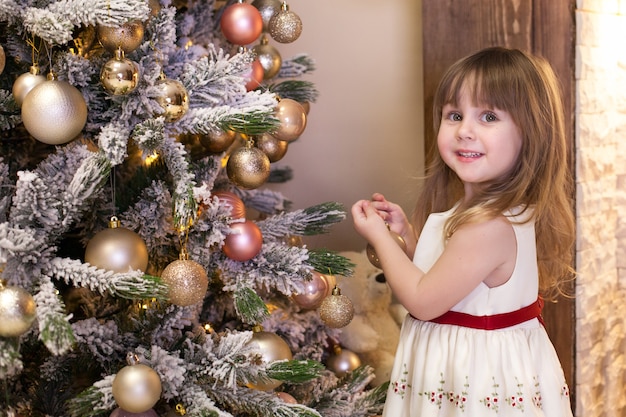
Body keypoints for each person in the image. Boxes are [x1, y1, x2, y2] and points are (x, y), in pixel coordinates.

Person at [351, 47, 575, 416]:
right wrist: (408, 238)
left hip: (473, 382)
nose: (464, 131)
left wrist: (377, 237)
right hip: (460, 371)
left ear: (529, 134)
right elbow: (450, 282)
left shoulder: (487, 226)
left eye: (488, 116)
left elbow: (424, 300)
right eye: (454, 115)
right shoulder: (486, 213)